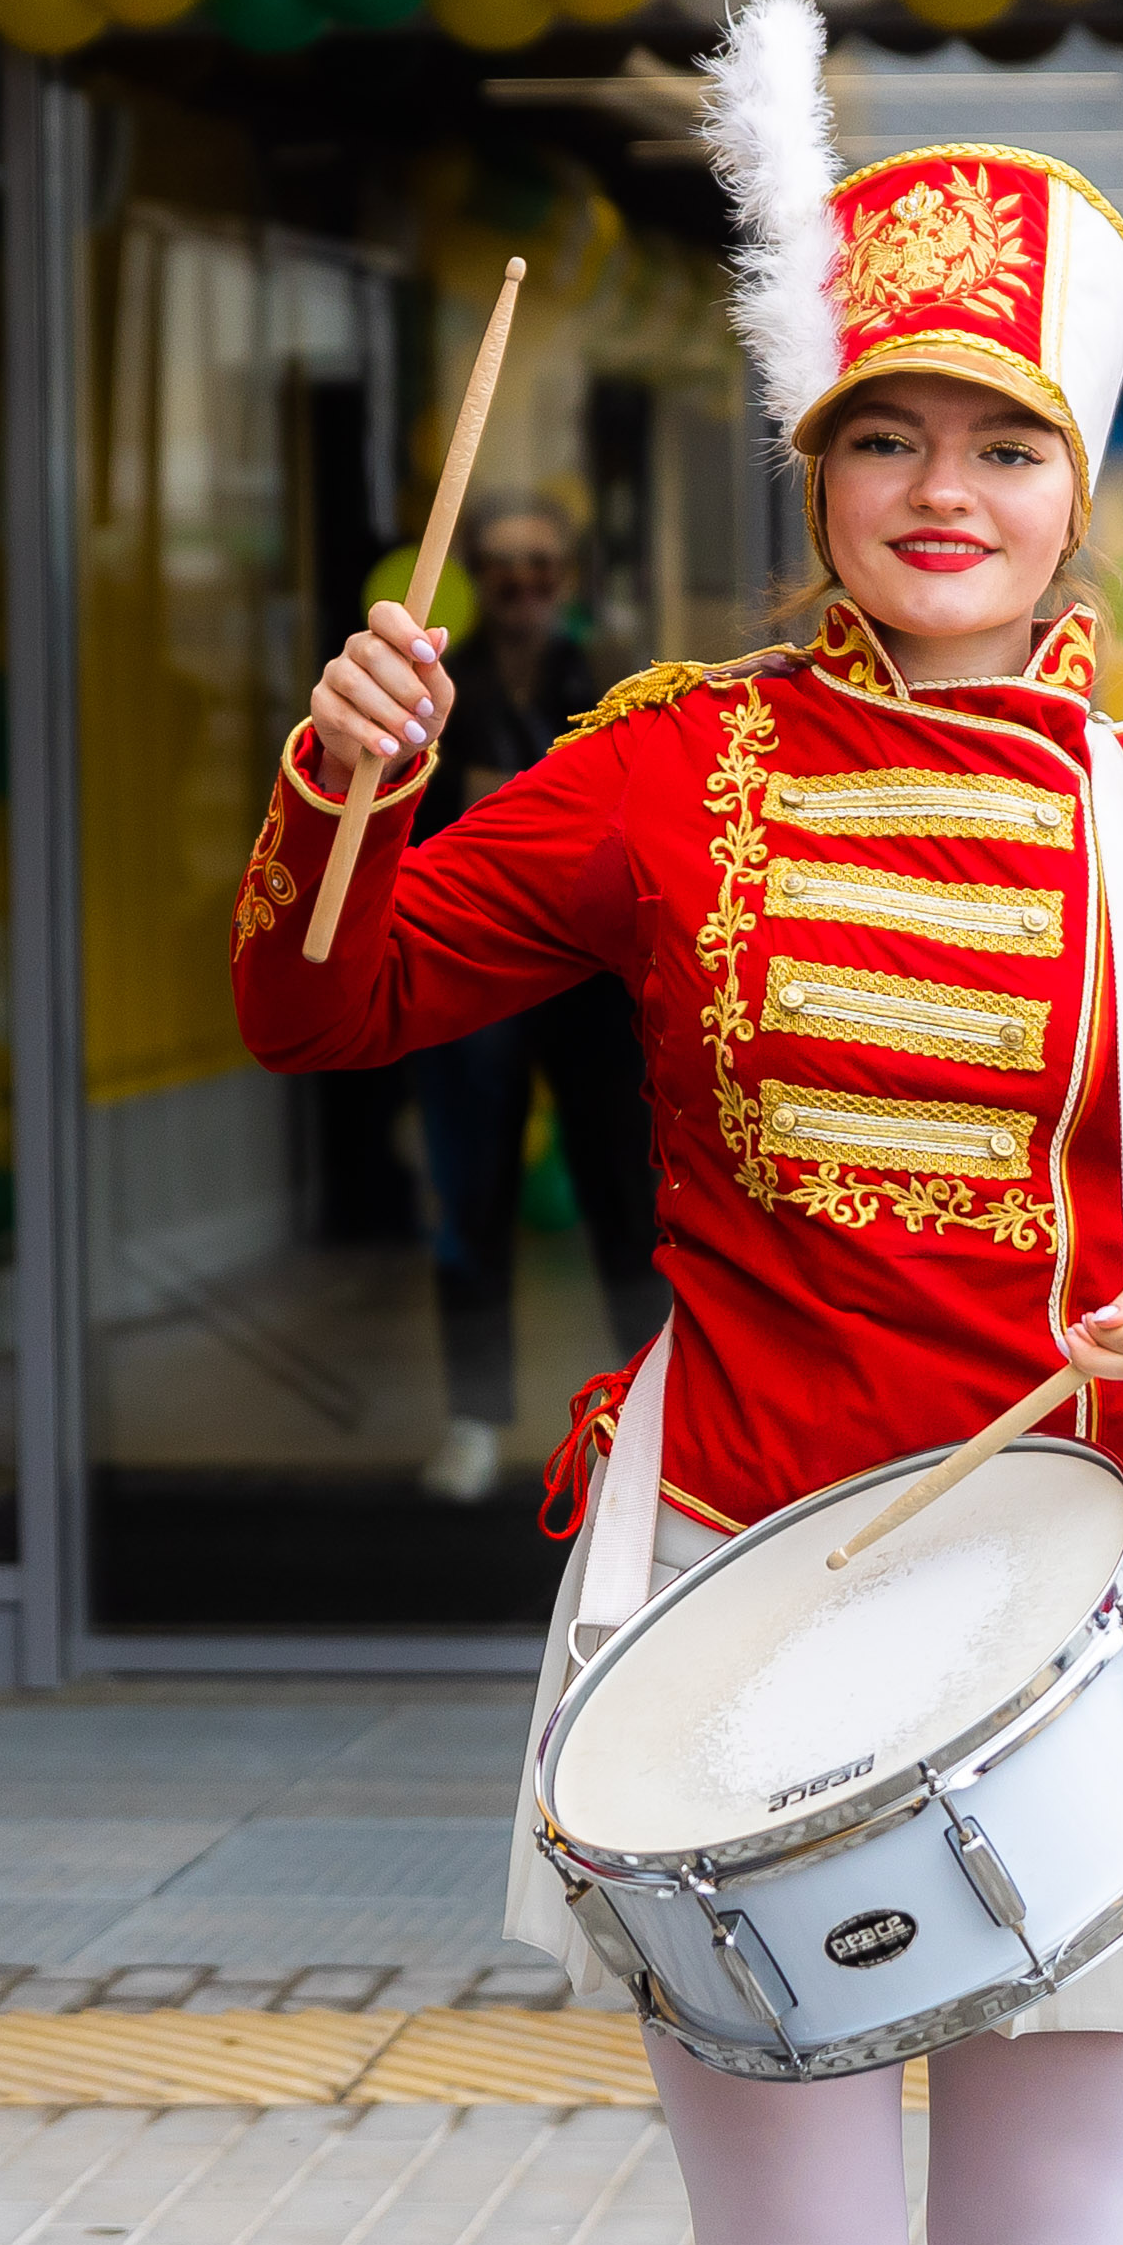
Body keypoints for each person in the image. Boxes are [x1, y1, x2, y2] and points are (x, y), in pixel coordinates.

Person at [236, 0, 1123, 2245]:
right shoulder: (664, 767)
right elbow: (329, 1001)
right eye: (881, 431)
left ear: (1074, 484)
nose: (936, 486)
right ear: (809, 461)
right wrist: (344, 772)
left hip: (1083, 1593)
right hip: (727, 1580)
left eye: (1000, 443)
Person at [402, 494, 668, 1501]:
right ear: (478, 573)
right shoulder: (436, 680)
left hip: (595, 985)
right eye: (505, 565)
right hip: (470, 977)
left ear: (566, 578)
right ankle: (473, 1421)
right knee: (468, 1201)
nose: (522, 583)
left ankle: (641, 1424)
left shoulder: (608, 683)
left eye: (541, 566)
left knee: (623, 1198)